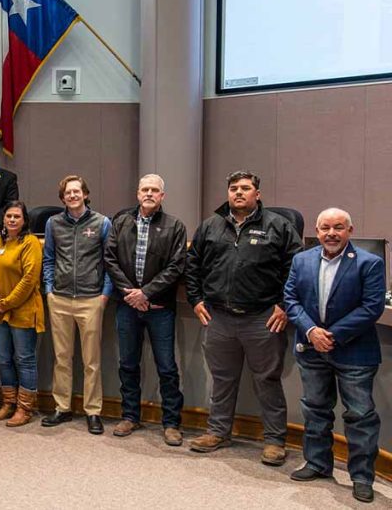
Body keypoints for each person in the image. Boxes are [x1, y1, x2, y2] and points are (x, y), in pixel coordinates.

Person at [186, 170, 301, 465]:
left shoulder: (279, 226)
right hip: (219, 317)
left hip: (262, 318)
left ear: (257, 194)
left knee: (267, 380)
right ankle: (218, 432)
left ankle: (275, 440)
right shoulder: (210, 226)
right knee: (222, 379)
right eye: (234, 188)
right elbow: (193, 265)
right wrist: (196, 299)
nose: (239, 192)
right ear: (227, 193)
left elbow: (297, 268)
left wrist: (283, 304)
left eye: (246, 188)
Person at [284, 208, 384, 503]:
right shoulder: (301, 260)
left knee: (360, 416)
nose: (331, 233)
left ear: (350, 231)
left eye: (338, 227)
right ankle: (317, 463)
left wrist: (333, 335)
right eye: (325, 228)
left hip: (354, 352)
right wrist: (312, 331)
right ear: (316, 230)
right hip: (311, 348)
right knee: (315, 408)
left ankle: (362, 476)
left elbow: (372, 307)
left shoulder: (370, 263)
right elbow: (290, 299)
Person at [103, 174, 186, 445]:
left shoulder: (175, 226)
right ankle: (130, 415)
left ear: (162, 196)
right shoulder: (122, 222)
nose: (149, 194)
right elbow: (110, 259)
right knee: (127, 363)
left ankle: (171, 422)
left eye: (154, 190)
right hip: (128, 305)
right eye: (144, 190)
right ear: (137, 194)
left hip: (159, 306)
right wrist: (131, 294)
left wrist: (146, 293)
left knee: (167, 367)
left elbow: (176, 266)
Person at [41, 175, 113, 435]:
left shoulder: (102, 223)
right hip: (59, 298)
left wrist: (104, 295)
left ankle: (93, 411)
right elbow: (48, 258)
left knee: (91, 361)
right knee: (62, 358)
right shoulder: (53, 223)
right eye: (68, 193)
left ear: (85, 194)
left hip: (91, 299)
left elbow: (109, 263)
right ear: (62, 198)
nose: (72, 196)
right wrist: (49, 291)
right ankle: (62, 407)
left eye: (76, 191)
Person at [0, 201, 44, 427]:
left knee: (24, 359)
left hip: (22, 309)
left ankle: (25, 408)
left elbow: (30, 278)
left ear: (24, 221)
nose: (12, 220)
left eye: (16, 217)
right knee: (2, 358)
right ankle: (8, 402)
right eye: (8, 216)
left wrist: (8, 302)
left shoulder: (30, 242)